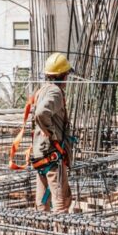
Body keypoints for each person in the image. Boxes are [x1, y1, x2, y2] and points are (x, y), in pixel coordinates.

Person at [27, 52, 73, 215]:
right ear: (63, 75)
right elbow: (41, 113)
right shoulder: (55, 92)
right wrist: (52, 135)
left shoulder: (43, 90)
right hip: (53, 154)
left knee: (42, 203)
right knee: (61, 203)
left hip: (41, 154)